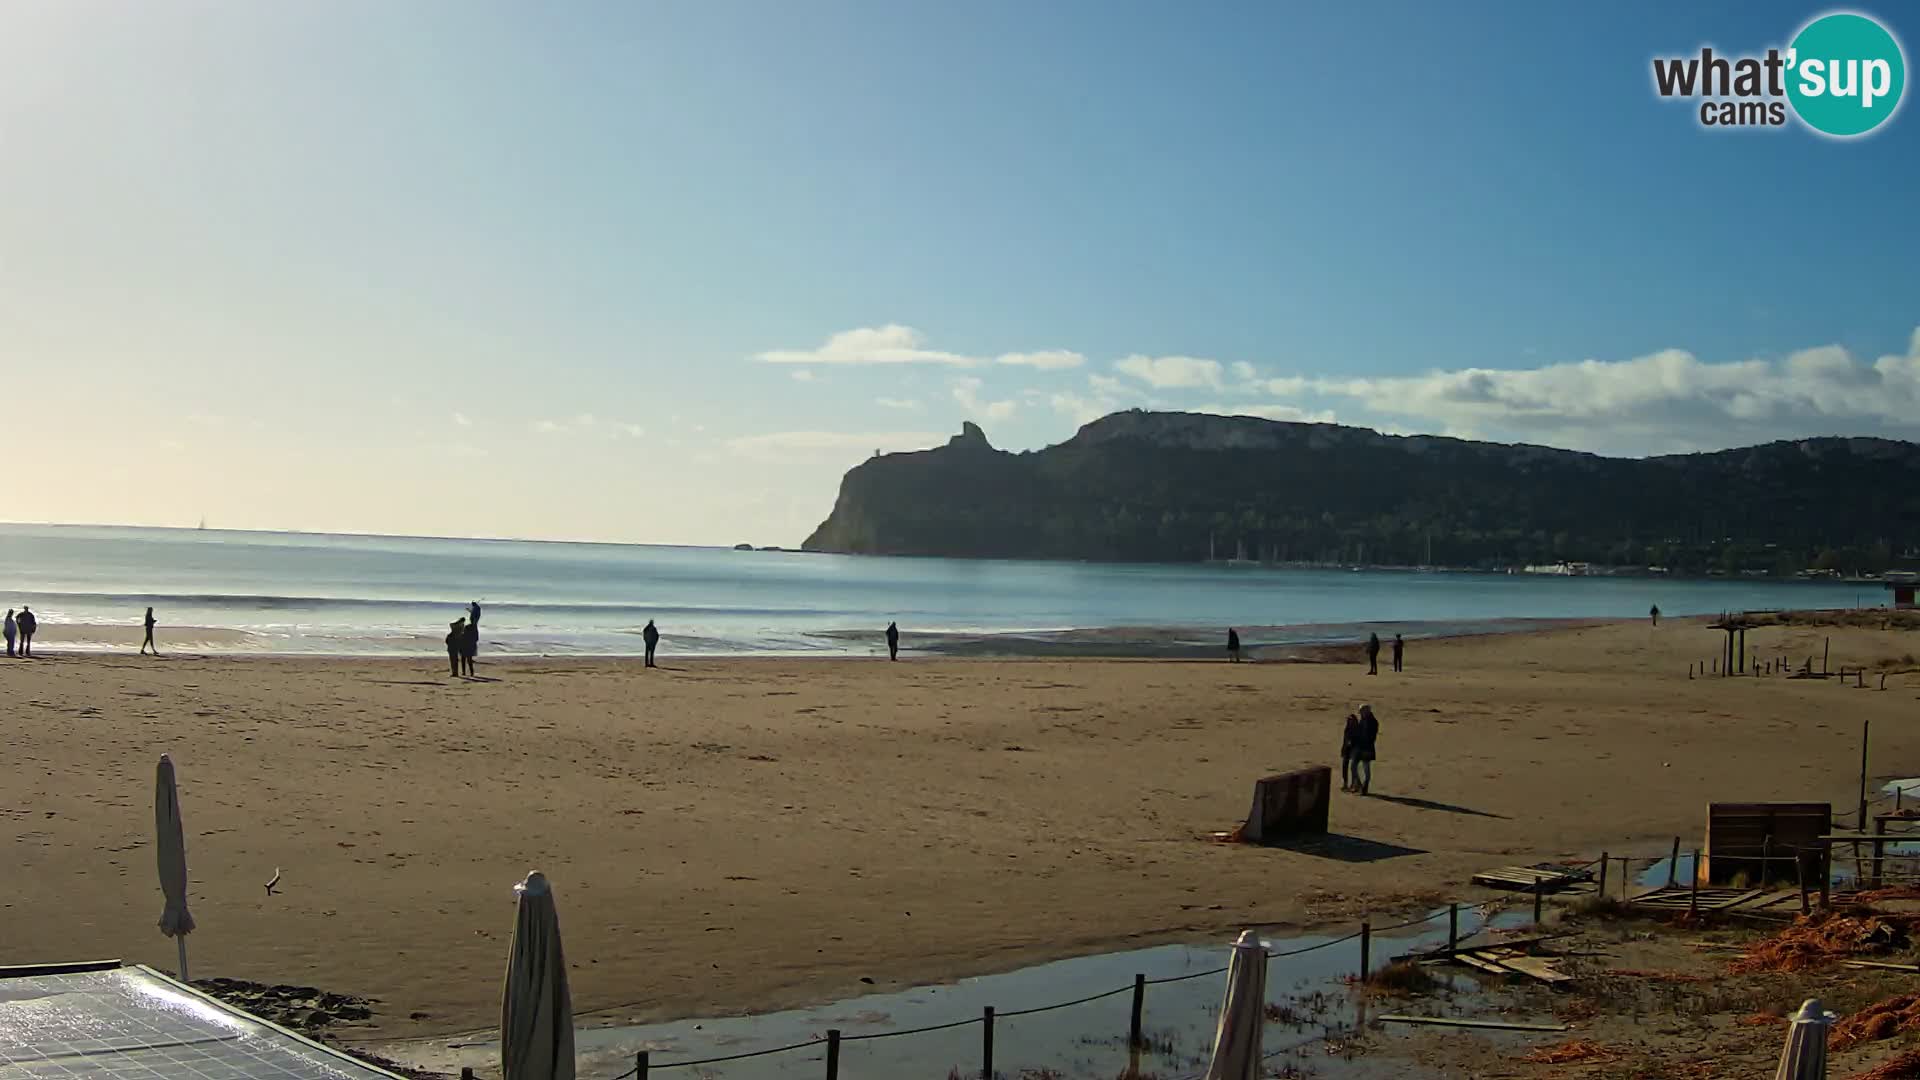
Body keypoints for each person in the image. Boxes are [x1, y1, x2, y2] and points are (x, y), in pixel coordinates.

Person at [1352, 704, 1380, 794]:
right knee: (1353, 767)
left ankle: (1365, 786)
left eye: (1361, 712)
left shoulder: (1373, 722)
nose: (1360, 714)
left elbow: (1371, 736)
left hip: (1367, 747)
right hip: (1360, 747)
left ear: (1366, 711)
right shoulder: (1363, 720)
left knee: (1366, 767)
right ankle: (1360, 785)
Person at [1340, 712, 1361, 792]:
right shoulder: (1347, 729)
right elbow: (1344, 740)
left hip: (1354, 749)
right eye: (1348, 720)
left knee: (1353, 768)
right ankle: (1345, 783)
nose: (1349, 721)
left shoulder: (1357, 729)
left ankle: (1354, 784)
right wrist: (1343, 749)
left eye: (1351, 720)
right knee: (1345, 766)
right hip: (1347, 749)